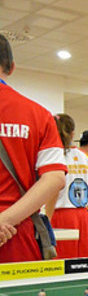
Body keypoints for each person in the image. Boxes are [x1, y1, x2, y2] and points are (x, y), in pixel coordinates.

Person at [0, 33, 66, 262]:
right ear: (12, 67)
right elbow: (55, 178)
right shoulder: (39, 115)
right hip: (18, 235)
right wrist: (5, 220)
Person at [44, 113, 88, 259]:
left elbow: (54, 187)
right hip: (83, 214)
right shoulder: (85, 156)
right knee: (83, 261)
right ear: (73, 134)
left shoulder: (54, 155)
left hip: (60, 212)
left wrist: (47, 218)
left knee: (62, 261)